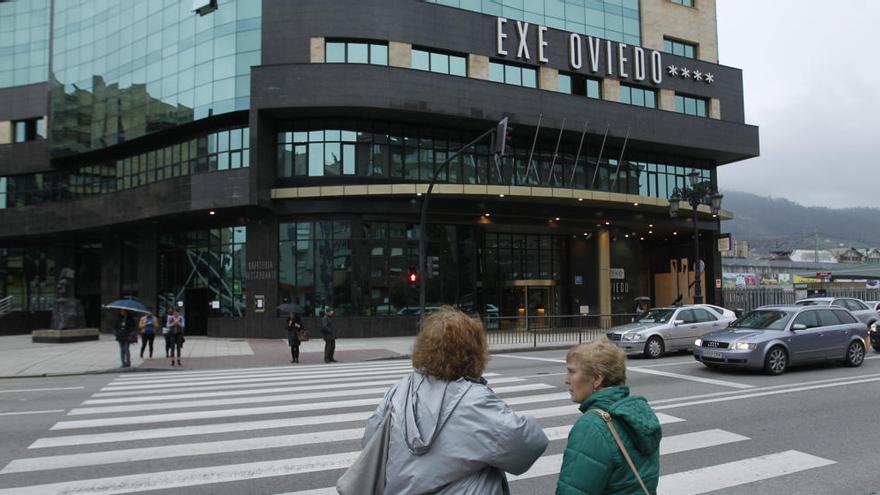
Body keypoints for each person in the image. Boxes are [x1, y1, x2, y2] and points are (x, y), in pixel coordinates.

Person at [360, 307, 548, 493]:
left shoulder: (399, 390)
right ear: (473, 351)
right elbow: (527, 446)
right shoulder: (474, 400)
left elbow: (370, 441)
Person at [557, 338, 662, 495]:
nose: (566, 380)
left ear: (597, 379)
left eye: (572, 372)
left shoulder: (592, 426)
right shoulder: (637, 415)